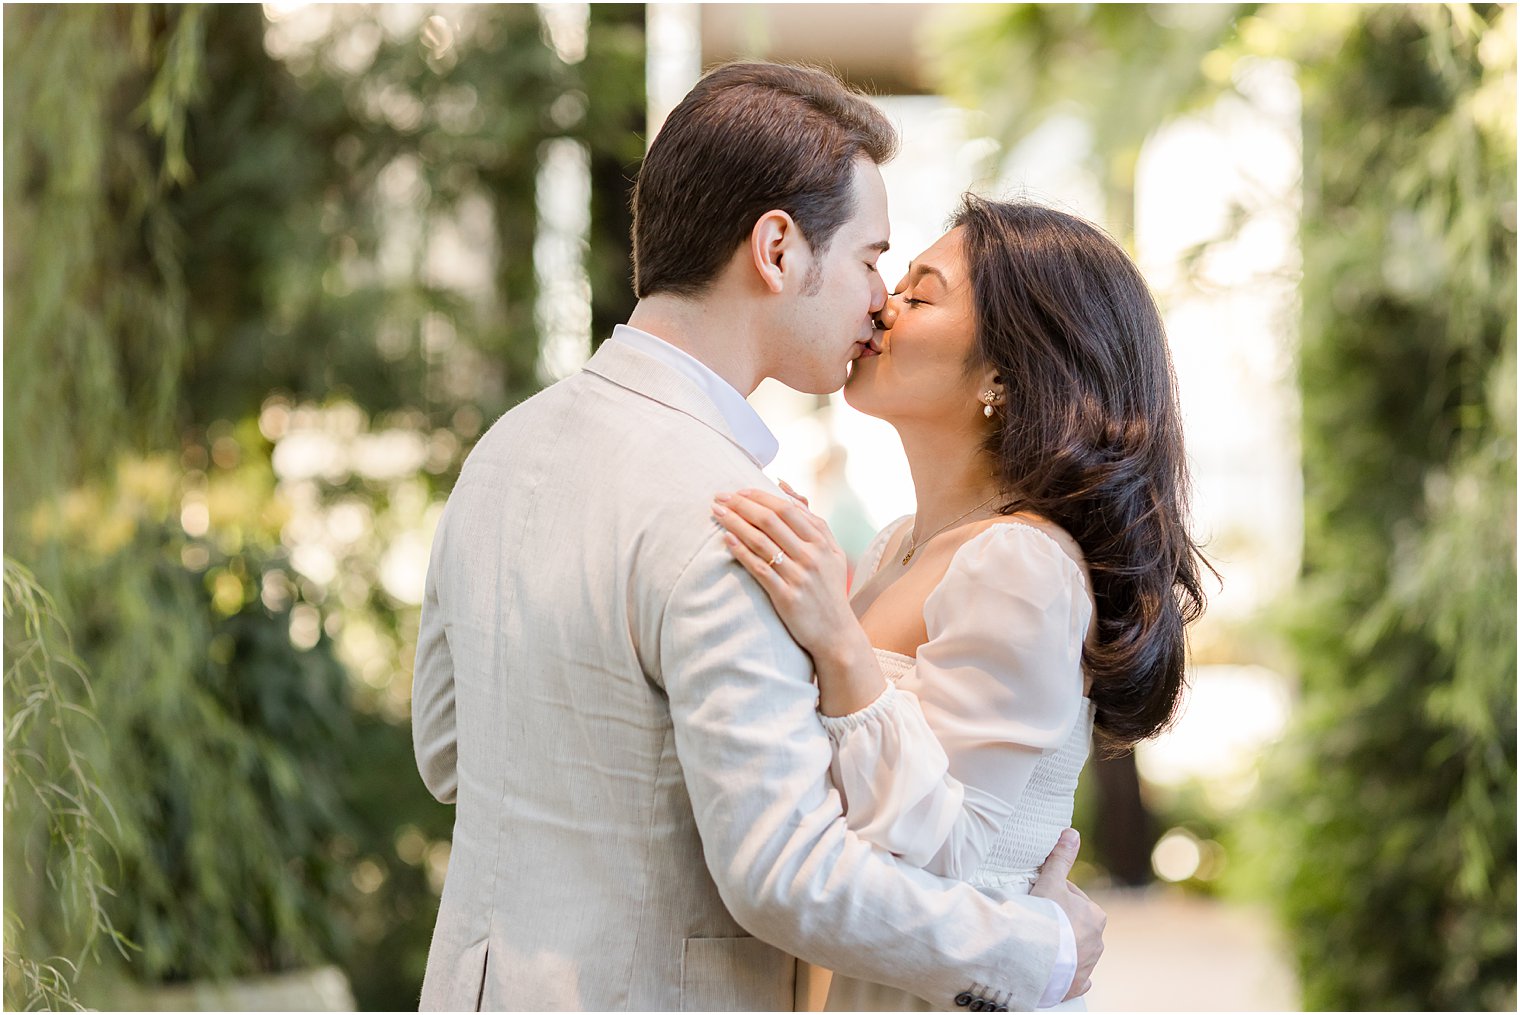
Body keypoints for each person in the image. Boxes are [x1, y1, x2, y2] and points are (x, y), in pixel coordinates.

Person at [410, 63, 1105, 1011]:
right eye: (870, 259)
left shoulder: (503, 448)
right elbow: (783, 872)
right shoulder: (734, 515)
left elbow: (450, 751)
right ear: (776, 249)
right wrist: (1037, 950)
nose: (878, 301)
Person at [713, 197, 1212, 1010]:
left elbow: (954, 849)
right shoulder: (897, 545)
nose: (881, 303)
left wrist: (835, 638)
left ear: (1004, 375)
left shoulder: (1019, 563)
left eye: (921, 292)